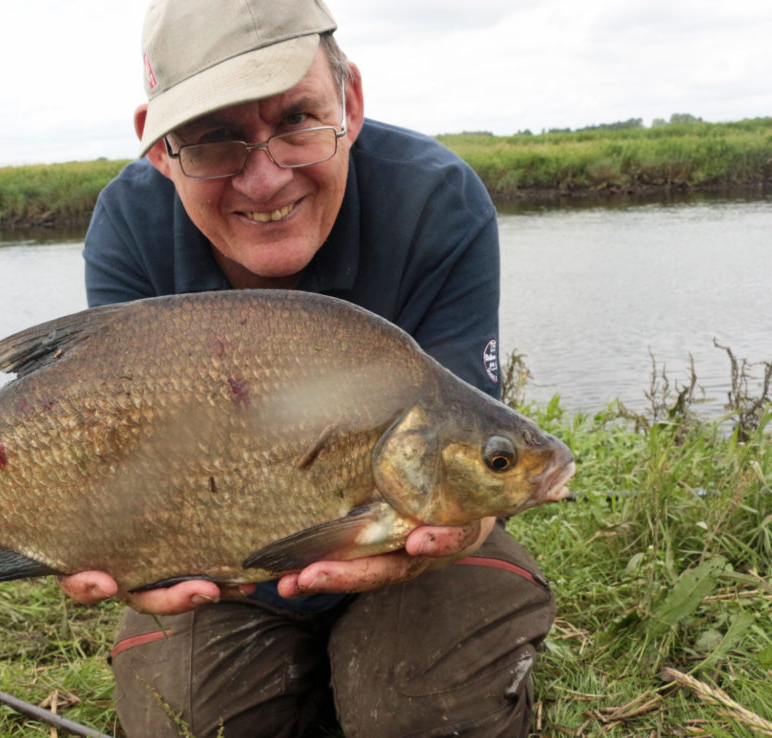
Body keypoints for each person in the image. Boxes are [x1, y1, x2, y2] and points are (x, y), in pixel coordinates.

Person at [63, 1, 556, 735]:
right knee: (189, 721)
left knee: (417, 711)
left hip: (410, 540)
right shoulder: (129, 229)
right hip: (226, 570)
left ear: (350, 103)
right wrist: (111, 546)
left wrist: (463, 531)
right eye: (214, 140)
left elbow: (471, 448)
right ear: (158, 149)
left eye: (296, 121)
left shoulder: (435, 201)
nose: (264, 181)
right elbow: (124, 465)